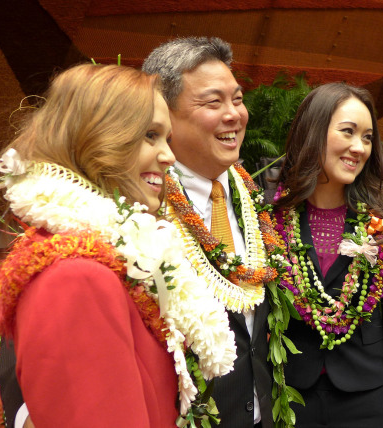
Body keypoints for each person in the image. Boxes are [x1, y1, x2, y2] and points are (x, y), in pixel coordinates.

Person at [0, 64, 236, 427]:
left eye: (166, 138)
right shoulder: (74, 278)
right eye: (150, 135)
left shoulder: (112, 253)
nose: (168, 155)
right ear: (95, 136)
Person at [273, 82, 383, 427]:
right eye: (348, 132)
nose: (359, 147)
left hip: (368, 399)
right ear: (313, 132)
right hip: (293, 398)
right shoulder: (274, 217)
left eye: (368, 137)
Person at [143, 37, 277, 428]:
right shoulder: (136, 209)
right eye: (213, 102)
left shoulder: (252, 195)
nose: (234, 114)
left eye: (237, 99)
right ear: (163, 114)